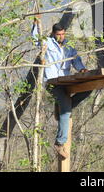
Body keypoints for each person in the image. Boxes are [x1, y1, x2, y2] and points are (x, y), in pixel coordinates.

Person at [31, 16, 91, 160]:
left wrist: (82, 69)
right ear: (53, 34)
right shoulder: (47, 42)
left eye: (63, 34)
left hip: (66, 81)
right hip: (53, 82)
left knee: (89, 88)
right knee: (66, 110)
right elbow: (35, 40)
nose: (61, 37)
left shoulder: (69, 46)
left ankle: (63, 107)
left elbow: (76, 60)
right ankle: (60, 143)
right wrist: (35, 24)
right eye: (58, 34)